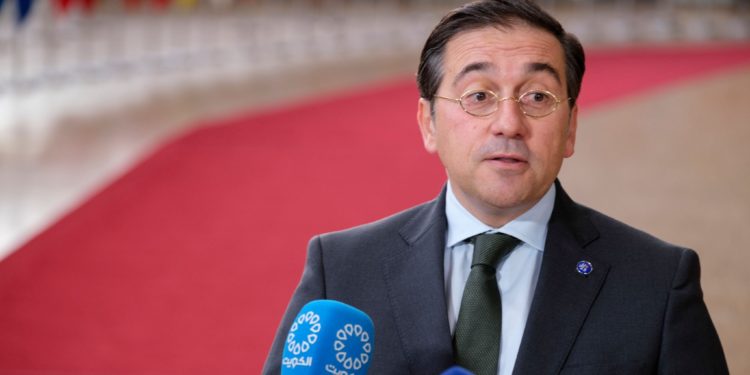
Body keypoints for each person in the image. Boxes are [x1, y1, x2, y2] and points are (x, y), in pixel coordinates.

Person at [262, 1, 729, 374]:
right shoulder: (342, 270)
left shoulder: (656, 282)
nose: (509, 123)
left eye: (538, 97)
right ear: (429, 123)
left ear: (570, 129)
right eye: (479, 96)